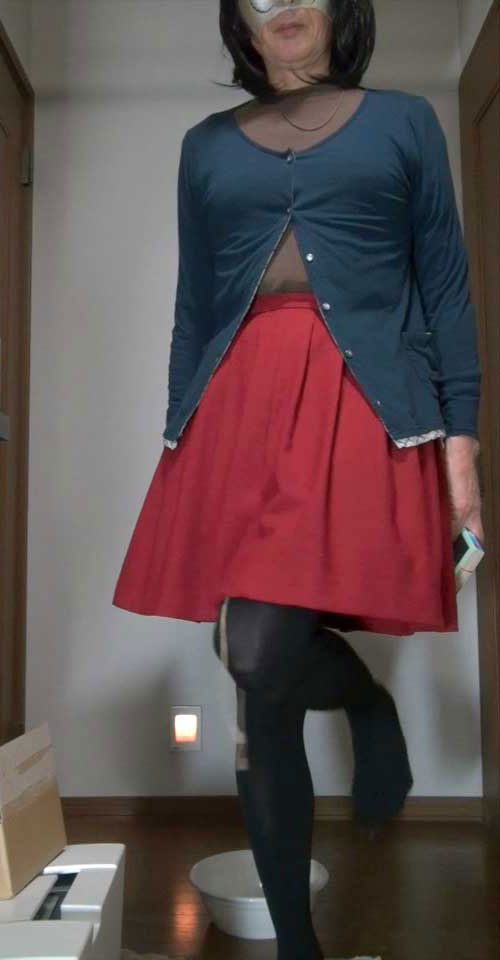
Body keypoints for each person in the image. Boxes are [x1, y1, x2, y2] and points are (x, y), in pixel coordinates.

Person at [112, 2, 484, 958]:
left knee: (260, 650)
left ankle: (364, 704)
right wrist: (178, 429)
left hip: (365, 398)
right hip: (238, 403)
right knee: (256, 669)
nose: (283, 3)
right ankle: (296, 943)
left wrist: (463, 438)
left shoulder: (404, 121)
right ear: (240, 20)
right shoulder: (205, 145)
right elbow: (196, 303)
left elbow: (445, 284)